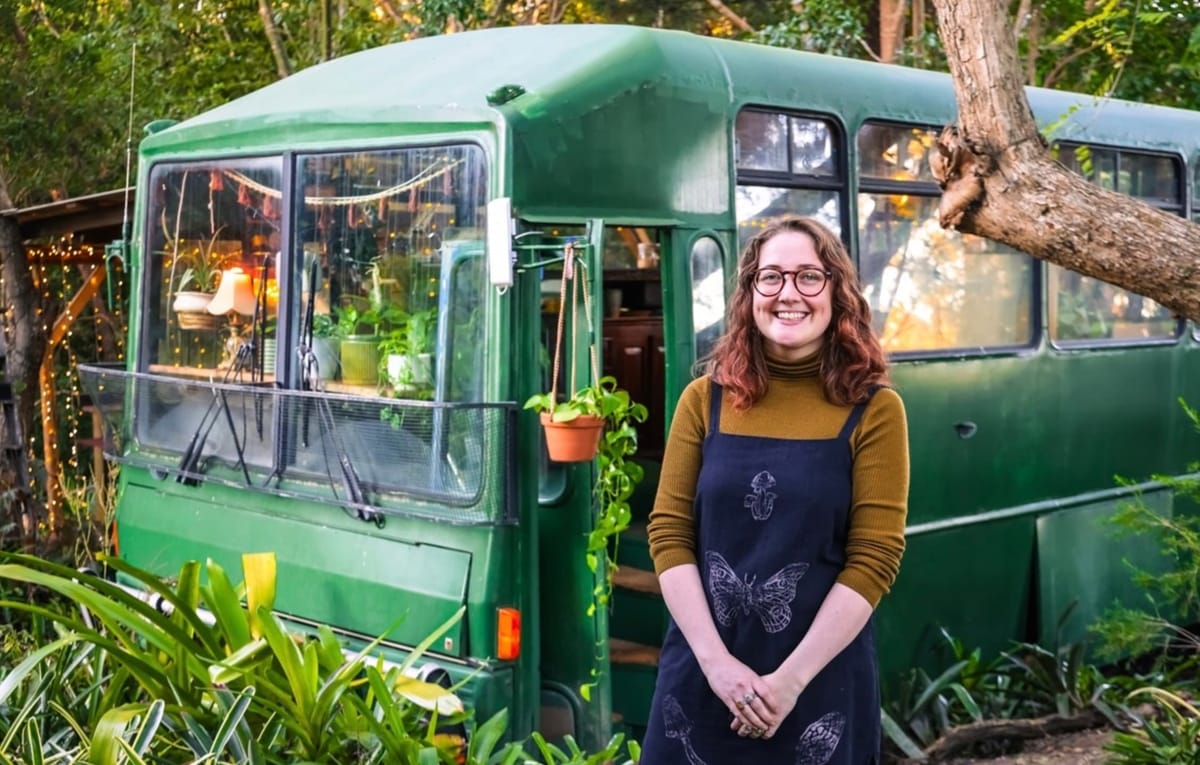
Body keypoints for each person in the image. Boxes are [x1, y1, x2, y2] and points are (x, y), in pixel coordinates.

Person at [640, 216, 909, 764]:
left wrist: (789, 682)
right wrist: (717, 666)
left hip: (818, 680)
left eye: (808, 276)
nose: (788, 294)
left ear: (837, 292)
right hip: (704, 674)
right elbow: (669, 534)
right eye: (771, 277)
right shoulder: (703, 400)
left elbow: (874, 558)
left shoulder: (876, 410)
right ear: (750, 293)